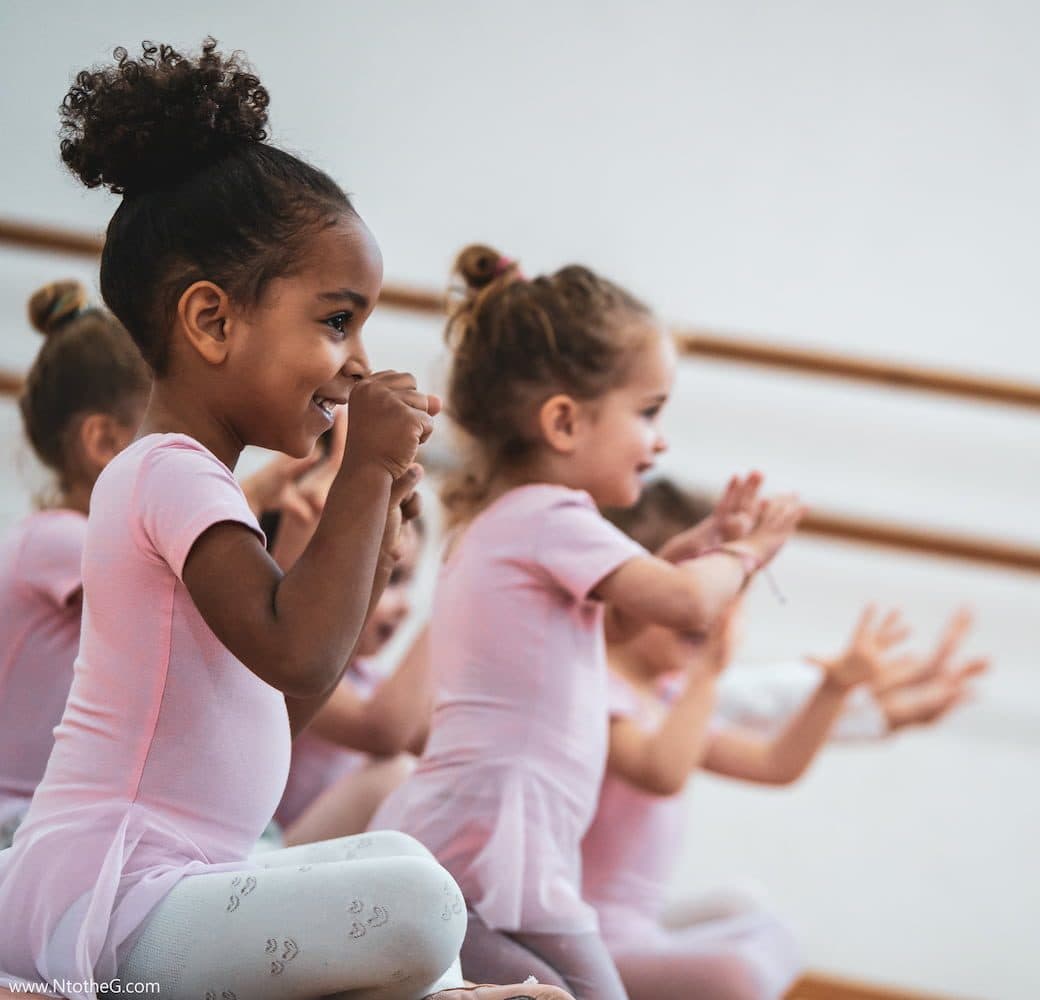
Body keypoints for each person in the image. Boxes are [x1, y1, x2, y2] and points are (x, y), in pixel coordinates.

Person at [0, 41, 568, 1000]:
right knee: (419, 904)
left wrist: (373, 518)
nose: (355, 361)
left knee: (390, 851)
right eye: (337, 321)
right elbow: (299, 653)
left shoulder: (190, 487)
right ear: (213, 322)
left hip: (178, 884)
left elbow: (281, 707)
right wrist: (370, 470)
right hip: (113, 898)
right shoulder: (168, 476)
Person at [372, 245, 804, 999]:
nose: (661, 439)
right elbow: (688, 602)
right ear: (565, 422)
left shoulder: (514, 521)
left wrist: (696, 547)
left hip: (479, 836)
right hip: (491, 844)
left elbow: (619, 611)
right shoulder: (551, 516)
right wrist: (743, 553)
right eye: (649, 412)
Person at [584, 479, 988, 1000]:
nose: (717, 617)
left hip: (638, 929)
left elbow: (776, 764)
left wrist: (834, 688)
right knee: (735, 975)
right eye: (702, 600)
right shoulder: (596, 687)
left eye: (731, 600)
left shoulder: (667, 695)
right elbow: (664, 771)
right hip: (589, 935)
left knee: (754, 916)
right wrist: (706, 676)